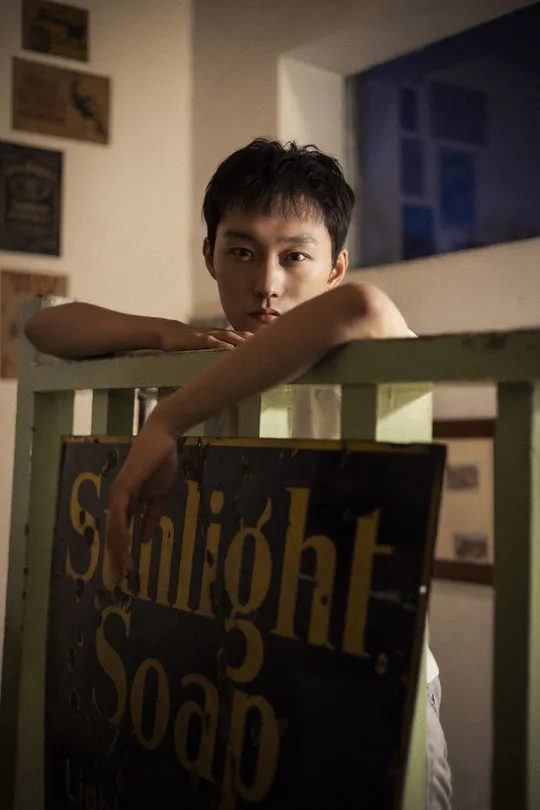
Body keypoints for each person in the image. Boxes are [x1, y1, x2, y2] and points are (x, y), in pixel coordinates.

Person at [25, 138, 452, 809]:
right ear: (210, 256)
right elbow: (45, 328)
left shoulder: (366, 350)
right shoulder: (205, 356)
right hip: (237, 680)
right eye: (243, 251)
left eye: (295, 256)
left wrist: (167, 420)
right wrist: (167, 334)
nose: (267, 283)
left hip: (369, 679)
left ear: (335, 266)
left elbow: (364, 308)